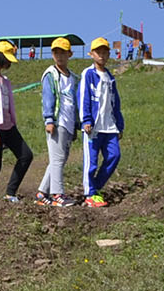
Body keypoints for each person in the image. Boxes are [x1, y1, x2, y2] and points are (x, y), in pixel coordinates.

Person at [0, 42, 34, 202]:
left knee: (26, 155)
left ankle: (10, 192)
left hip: (8, 125)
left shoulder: (5, 80)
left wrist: (13, 123)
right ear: (0, 58)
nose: (9, 63)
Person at [78, 37, 124, 206]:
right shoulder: (88, 74)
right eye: (98, 52)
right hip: (94, 127)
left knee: (114, 155)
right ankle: (89, 194)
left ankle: (95, 187)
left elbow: (115, 103)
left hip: (110, 126)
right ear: (92, 54)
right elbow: (84, 98)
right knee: (91, 161)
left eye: (105, 52)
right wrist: (86, 120)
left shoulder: (110, 77)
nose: (102, 55)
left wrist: (119, 125)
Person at [37, 38, 79, 207]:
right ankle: (57, 195)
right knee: (57, 159)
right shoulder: (51, 74)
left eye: (63, 52)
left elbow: (74, 103)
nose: (59, 56)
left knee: (58, 159)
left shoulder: (74, 78)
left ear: (70, 54)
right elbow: (48, 98)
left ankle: (42, 193)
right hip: (57, 121)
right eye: (56, 52)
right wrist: (49, 119)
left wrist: (76, 125)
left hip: (68, 123)